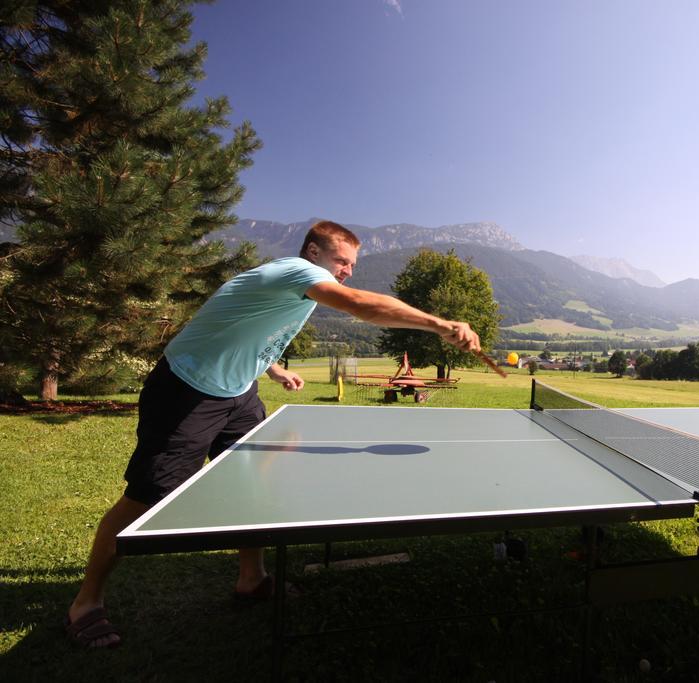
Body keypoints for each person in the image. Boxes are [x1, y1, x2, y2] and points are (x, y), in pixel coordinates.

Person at [65, 220, 483, 648]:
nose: (348, 271)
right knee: (147, 498)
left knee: (255, 484)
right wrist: (441, 323)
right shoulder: (298, 272)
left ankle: (252, 579)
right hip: (185, 391)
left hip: (239, 394)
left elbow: (244, 326)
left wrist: (272, 367)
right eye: (342, 260)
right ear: (313, 252)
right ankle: (86, 603)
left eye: (352, 264)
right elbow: (362, 305)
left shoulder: (294, 286)